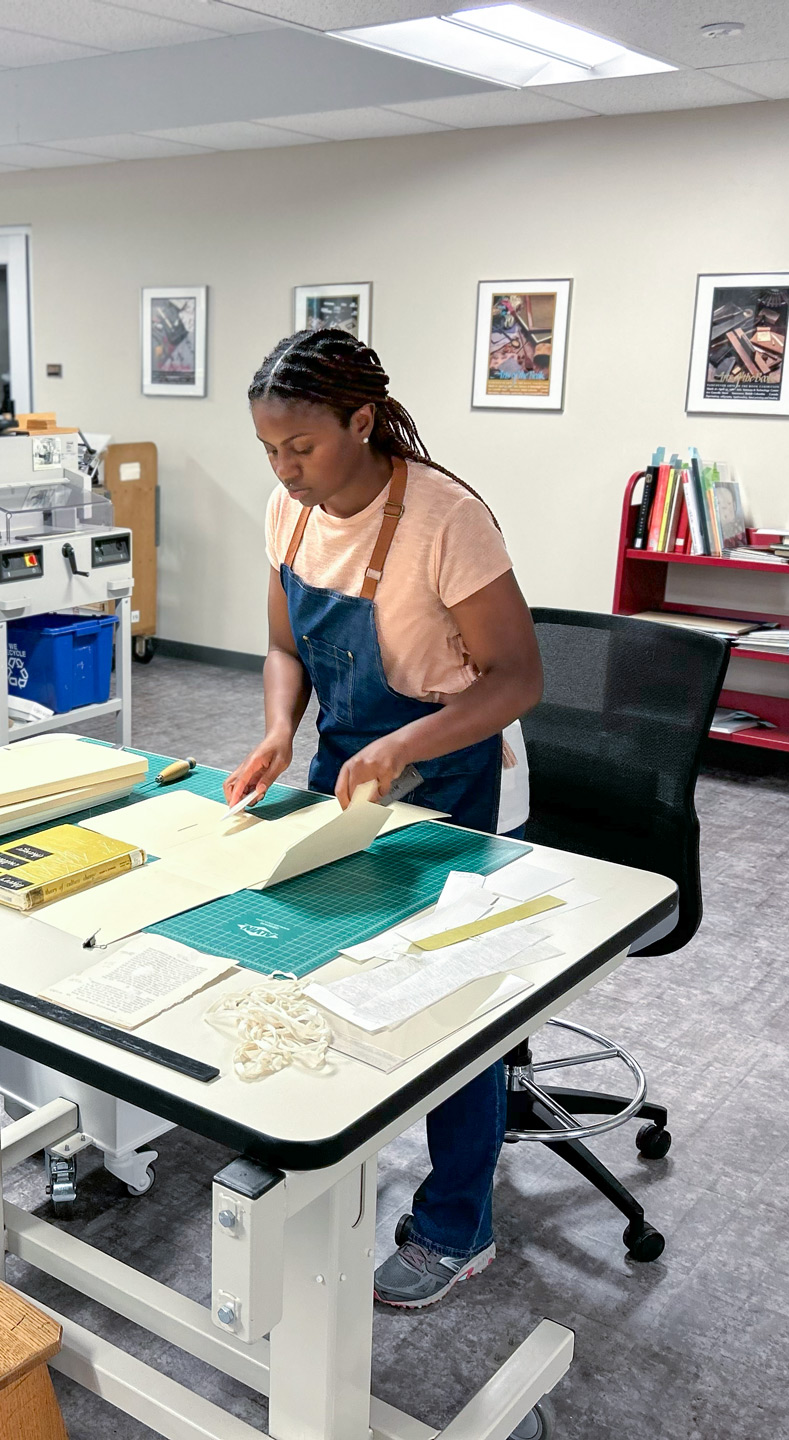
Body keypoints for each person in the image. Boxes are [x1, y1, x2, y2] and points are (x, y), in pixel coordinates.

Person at [226, 327, 543, 1308]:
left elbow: (520, 678)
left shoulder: (446, 521)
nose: (285, 470)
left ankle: (459, 1226)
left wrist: (408, 747)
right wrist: (282, 728)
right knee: (326, 965)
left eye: (304, 448)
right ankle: (323, 1169)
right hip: (349, 769)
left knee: (448, 1006)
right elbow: (285, 646)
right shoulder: (290, 511)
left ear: (361, 421)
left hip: (454, 773)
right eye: (271, 450)